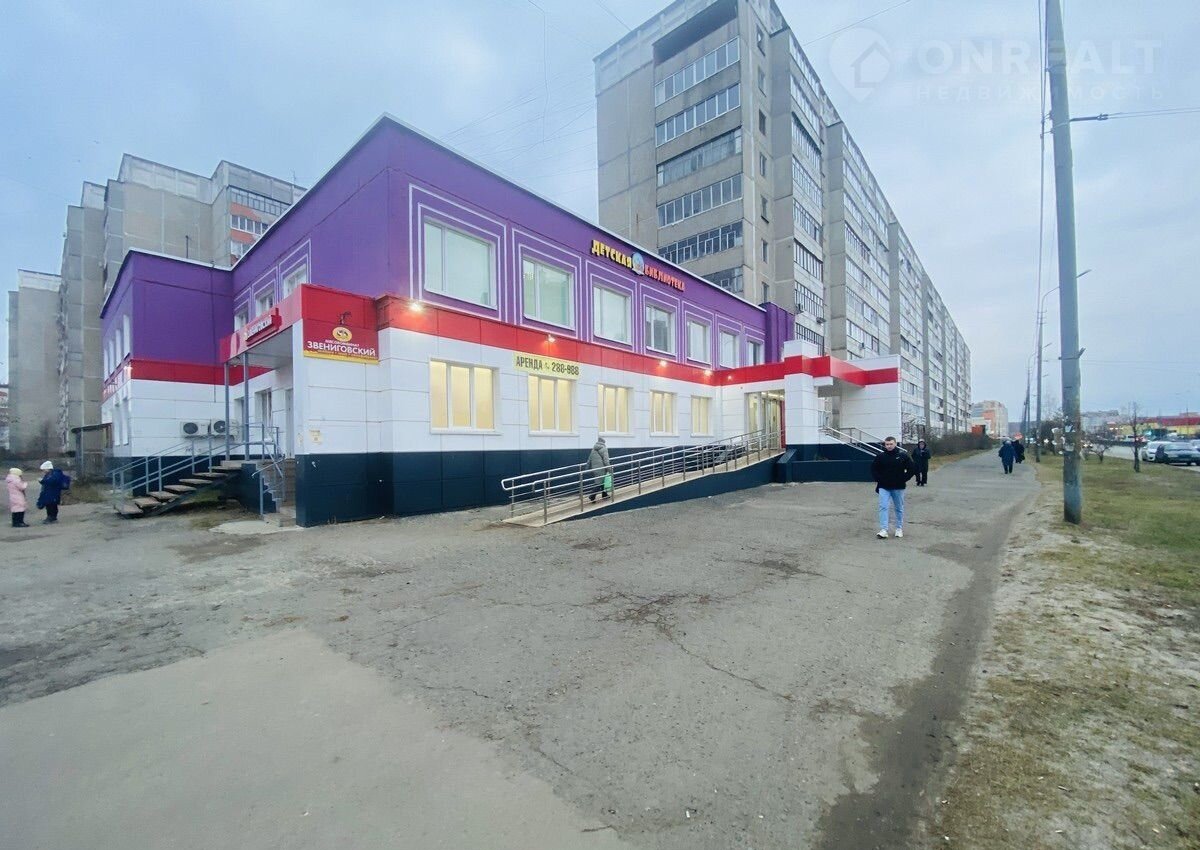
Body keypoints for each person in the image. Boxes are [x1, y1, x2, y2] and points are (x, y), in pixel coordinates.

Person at [870, 436, 915, 539]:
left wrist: (903, 479)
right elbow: (873, 469)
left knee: (899, 508)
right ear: (885, 445)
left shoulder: (903, 456)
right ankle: (884, 529)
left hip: (898, 487)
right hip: (884, 487)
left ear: (895, 444)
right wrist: (879, 479)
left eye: (891, 444)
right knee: (883, 507)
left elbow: (912, 469)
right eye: (887, 444)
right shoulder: (880, 456)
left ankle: (899, 528)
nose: (889, 446)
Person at [586, 438, 613, 502]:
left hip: (595, 468)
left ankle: (604, 494)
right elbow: (606, 461)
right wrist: (610, 469)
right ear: (603, 442)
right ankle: (592, 496)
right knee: (599, 483)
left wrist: (587, 468)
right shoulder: (604, 449)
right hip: (602, 469)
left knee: (602, 481)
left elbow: (589, 460)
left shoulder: (593, 449)